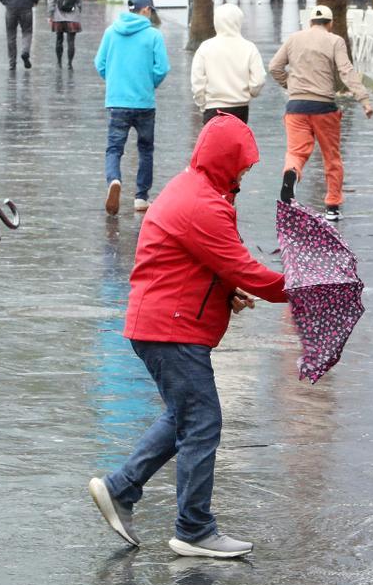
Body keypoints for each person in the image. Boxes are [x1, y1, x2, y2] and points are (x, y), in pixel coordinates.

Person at [89, 114, 288, 559]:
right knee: (202, 422)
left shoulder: (197, 190)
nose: (244, 173)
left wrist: (224, 293)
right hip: (171, 329)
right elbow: (242, 267)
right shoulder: (204, 203)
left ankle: (121, 488)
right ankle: (193, 528)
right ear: (223, 160)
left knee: (184, 417)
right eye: (242, 165)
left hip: (164, 323)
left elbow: (201, 264)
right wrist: (298, 289)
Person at [268, 4, 373, 222]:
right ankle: (332, 207)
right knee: (331, 157)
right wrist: (363, 99)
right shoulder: (335, 40)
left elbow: (274, 67)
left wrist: (290, 85)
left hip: (296, 107)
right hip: (324, 107)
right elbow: (346, 70)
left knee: (296, 152)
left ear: (310, 23)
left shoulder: (294, 39)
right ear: (330, 23)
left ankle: (291, 174)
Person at [94, 0, 170, 216]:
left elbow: (100, 63)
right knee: (145, 150)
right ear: (145, 10)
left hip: (117, 102)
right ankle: (141, 197)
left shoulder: (111, 32)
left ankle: (114, 180)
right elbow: (162, 68)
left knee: (114, 148)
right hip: (144, 103)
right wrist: (148, 84)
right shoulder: (153, 35)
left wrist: (115, 80)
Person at [191, 4, 265, 124]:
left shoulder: (206, 47)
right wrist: (249, 93)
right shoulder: (249, 47)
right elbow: (259, 80)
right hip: (240, 107)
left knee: (215, 142)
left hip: (213, 108)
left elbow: (197, 81)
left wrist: (202, 103)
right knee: (236, 141)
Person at [47, 0, 83, 69]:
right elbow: (80, 2)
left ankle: (59, 62)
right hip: (73, 18)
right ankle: (69, 63)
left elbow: (51, 3)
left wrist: (50, 16)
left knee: (59, 39)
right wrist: (79, 11)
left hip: (58, 17)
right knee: (71, 41)